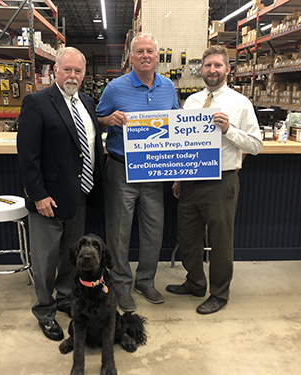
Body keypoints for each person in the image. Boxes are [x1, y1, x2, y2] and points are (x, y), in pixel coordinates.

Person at [166, 45, 263, 314]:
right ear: (201, 70)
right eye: (208, 66)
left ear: (227, 70)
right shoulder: (192, 102)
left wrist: (228, 129)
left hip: (222, 182)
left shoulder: (240, 103)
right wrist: (178, 178)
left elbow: (256, 145)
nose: (212, 70)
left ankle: (219, 294)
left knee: (220, 242)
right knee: (187, 238)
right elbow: (185, 143)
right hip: (191, 181)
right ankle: (195, 281)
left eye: (217, 65)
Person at [17, 47, 104, 340]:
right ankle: (45, 311)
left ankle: (66, 298)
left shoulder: (88, 103)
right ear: (55, 71)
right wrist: (38, 195)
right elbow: (27, 155)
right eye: (67, 69)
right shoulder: (37, 102)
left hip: (78, 194)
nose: (72, 76)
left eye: (78, 71)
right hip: (48, 199)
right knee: (45, 260)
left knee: (71, 255)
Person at [96, 33, 179, 312]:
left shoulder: (168, 87)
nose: (145, 55)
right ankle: (120, 285)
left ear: (157, 56)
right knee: (118, 233)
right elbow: (94, 121)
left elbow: (177, 124)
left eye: (150, 51)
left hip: (155, 171)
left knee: (154, 230)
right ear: (131, 56)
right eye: (140, 51)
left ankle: (145, 280)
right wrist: (107, 120)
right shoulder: (114, 88)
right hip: (121, 170)